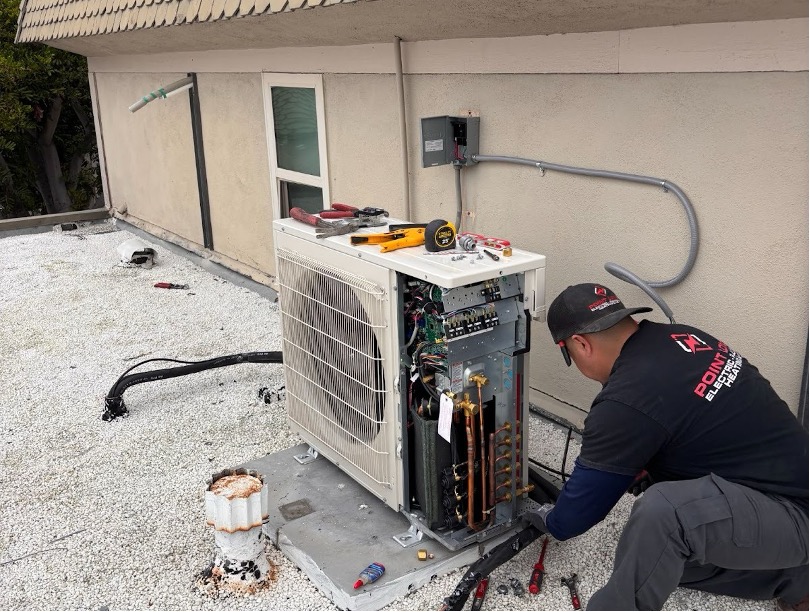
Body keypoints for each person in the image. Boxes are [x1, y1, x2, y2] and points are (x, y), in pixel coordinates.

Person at [524, 282, 808, 611]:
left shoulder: (627, 398)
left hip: (795, 513)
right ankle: (797, 577)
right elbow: (702, 424)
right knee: (655, 560)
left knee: (664, 517)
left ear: (579, 344)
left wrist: (548, 518)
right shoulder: (681, 338)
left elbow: (573, 519)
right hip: (786, 483)